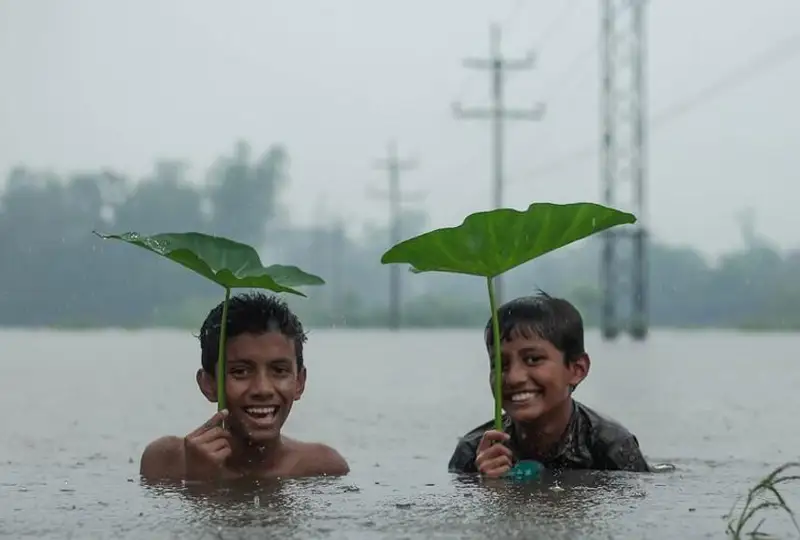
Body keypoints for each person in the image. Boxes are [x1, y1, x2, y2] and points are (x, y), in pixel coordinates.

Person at [140, 292, 349, 482]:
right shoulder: (165, 462)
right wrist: (199, 481)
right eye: (240, 372)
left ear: (299, 383)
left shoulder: (322, 469)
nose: (263, 389)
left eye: (279, 371)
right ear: (208, 384)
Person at [447, 292, 650, 477]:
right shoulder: (472, 452)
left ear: (577, 369)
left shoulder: (611, 447)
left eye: (533, 359)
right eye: (500, 364)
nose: (513, 377)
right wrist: (487, 487)